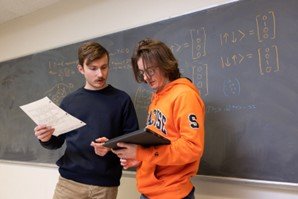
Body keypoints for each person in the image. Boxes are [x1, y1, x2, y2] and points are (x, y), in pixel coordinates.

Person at [34, 41, 139, 199]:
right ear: (81, 69)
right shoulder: (69, 102)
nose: (100, 74)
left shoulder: (122, 100)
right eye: (93, 68)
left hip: (105, 185)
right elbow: (56, 142)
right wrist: (46, 138)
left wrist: (110, 146)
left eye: (104, 67)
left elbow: (133, 143)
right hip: (68, 184)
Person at [112, 38, 205, 199]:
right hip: (150, 191)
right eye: (142, 72)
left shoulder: (185, 95)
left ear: (165, 65)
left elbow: (191, 148)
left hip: (172, 193)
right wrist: (139, 159)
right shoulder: (157, 97)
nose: (146, 77)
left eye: (150, 70)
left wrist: (142, 153)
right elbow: (159, 144)